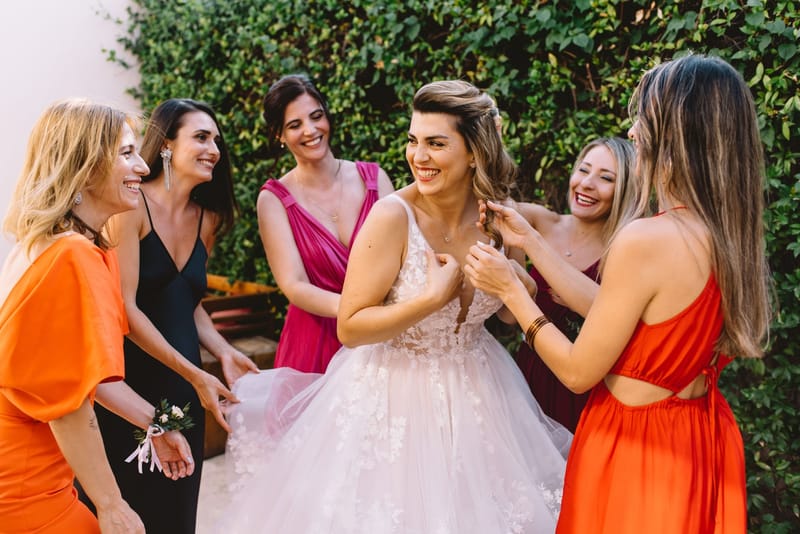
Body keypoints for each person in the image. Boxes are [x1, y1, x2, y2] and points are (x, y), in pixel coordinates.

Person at [219, 80, 571, 533]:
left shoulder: (498, 216)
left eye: (436, 143)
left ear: (474, 152)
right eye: (413, 141)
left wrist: (515, 282)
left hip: (483, 391)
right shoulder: (392, 216)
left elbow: (506, 316)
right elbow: (351, 325)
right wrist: (429, 299)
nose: (418, 157)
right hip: (394, 401)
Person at [465, 54, 770, 532]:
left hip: (635, 448)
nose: (632, 134)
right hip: (695, 440)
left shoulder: (646, 239)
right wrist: (531, 242)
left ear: (676, 133)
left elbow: (577, 372)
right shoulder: (727, 235)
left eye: (643, 120)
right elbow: (624, 318)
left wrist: (512, 290)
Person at [0, 99, 195, 533]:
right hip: (25, 484)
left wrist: (157, 426)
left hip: (40, 472)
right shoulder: (70, 255)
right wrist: (110, 504)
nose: (143, 169)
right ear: (85, 166)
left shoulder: (67, 245)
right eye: (127, 154)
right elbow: (65, 406)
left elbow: (86, 379)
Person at [87, 98, 258, 534]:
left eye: (216, 139)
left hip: (186, 388)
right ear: (165, 144)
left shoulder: (208, 217)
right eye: (201, 137)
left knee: (177, 514)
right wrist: (196, 373)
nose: (214, 148)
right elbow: (127, 307)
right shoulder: (132, 208)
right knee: (128, 510)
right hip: (131, 385)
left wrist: (222, 352)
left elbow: (188, 301)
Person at [257, 74, 394, 373]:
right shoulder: (274, 200)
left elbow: (404, 259)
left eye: (316, 116)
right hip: (315, 343)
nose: (310, 130)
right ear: (279, 134)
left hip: (380, 337)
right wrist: (354, 311)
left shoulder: (375, 179)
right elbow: (294, 285)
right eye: (294, 125)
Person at [512, 137, 637, 431]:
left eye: (606, 178)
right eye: (584, 170)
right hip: (527, 383)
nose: (587, 184)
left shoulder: (624, 251)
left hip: (588, 396)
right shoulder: (540, 222)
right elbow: (488, 199)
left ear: (625, 190)